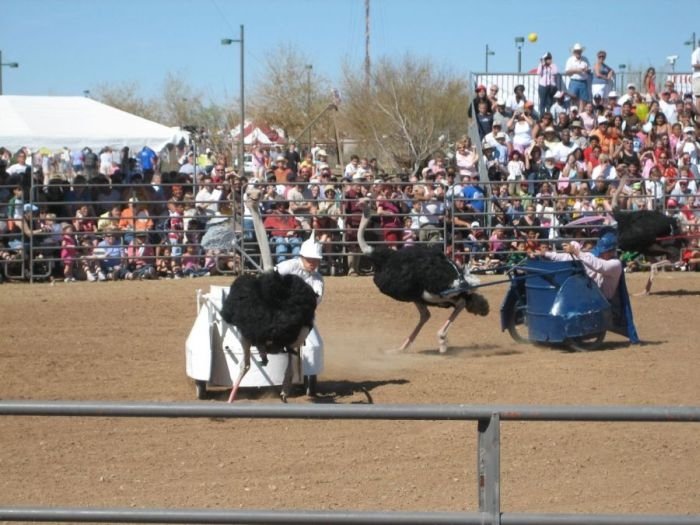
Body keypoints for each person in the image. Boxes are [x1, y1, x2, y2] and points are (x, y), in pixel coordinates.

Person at [539, 231, 639, 343]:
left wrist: (577, 252)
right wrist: (546, 254)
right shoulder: (597, 258)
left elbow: (599, 265)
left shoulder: (615, 264)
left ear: (609, 252)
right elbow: (568, 258)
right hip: (592, 295)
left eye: (602, 252)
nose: (599, 254)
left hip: (605, 301)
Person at [275, 235, 325, 396]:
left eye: (315, 260)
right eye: (310, 259)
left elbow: (315, 302)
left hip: (301, 319)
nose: (312, 263)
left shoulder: (318, 280)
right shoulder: (287, 267)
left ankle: (301, 375)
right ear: (302, 256)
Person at [565, 43, 591, 112]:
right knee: (573, 100)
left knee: (583, 100)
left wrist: (587, 70)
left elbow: (589, 70)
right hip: (574, 81)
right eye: (576, 51)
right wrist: (576, 70)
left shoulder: (585, 59)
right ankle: (573, 115)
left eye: (579, 51)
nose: (578, 52)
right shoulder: (570, 60)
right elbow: (567, 72)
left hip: (583, 82)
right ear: (574, 52)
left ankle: (580, 116)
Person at [537, 52, 559, 116]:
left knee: (549, 103)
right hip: (543, 86)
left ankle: (549, 116)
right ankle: (542, 116)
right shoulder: (541, 65)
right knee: (542, 102)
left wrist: (551, 65)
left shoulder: (553, 65)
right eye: (546, 59)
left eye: (549, 58)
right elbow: (538, 73)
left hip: (551, 86)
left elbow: (555, 72)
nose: (548, 60)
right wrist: (542, 64)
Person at [691, 41, 700, 115]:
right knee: (699, 96)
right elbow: (694, 64)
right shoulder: (696, 52)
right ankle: (698, 115)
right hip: (698, 76)